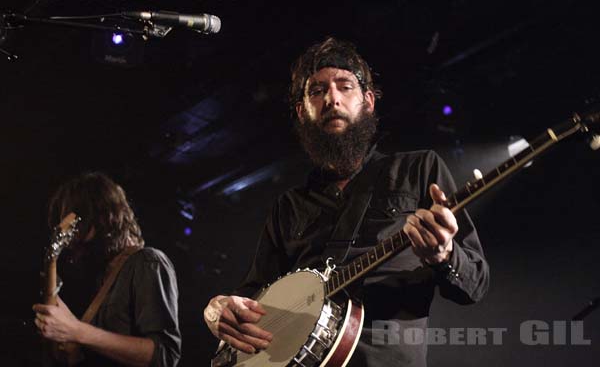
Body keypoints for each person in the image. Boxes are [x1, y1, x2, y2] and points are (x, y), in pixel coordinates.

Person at [203, 37, 489, 366]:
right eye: (317, 90)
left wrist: (445, 254)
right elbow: (253, 297)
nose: (332, 99)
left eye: (345, 86)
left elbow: (476, 283)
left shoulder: (419, 169)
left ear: (368, 102)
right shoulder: (289, 205)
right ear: (302, 111)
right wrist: (217, 309)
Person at [33, 172, 181, 367]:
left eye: (78, 227)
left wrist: (77, 331)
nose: (71, 242)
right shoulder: (99, 276)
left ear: (101, 217)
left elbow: (165, 355)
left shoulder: (147, 262)